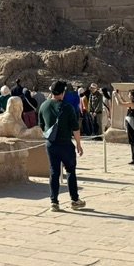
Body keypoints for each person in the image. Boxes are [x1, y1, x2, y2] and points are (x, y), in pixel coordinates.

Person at [40, 79, 86, 211]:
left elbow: (42, 126)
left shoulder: (44, 106)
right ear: (63, 92)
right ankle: (74, 200)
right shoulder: (67, 107)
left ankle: (54, 202)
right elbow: (75, 129)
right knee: (71, 170)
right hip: (65, 144)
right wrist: (78, 144)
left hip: (51, 144)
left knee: (54, 172)